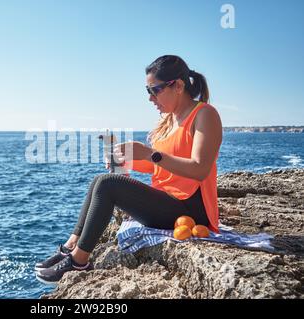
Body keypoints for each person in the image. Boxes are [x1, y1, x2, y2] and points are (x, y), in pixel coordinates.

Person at [35, 55, 223, 284]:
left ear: (179, 86)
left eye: (155, 90)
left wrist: (148, 153)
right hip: (167, 201)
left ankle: (79, 262)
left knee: (107, 185)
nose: (151, 98)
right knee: (100, 180)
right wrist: (127, 160)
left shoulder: (205, 114)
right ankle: (71, 245)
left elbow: (199, 169)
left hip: (192, 210)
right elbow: (160, 167)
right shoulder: (168, 121)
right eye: (148, 91)